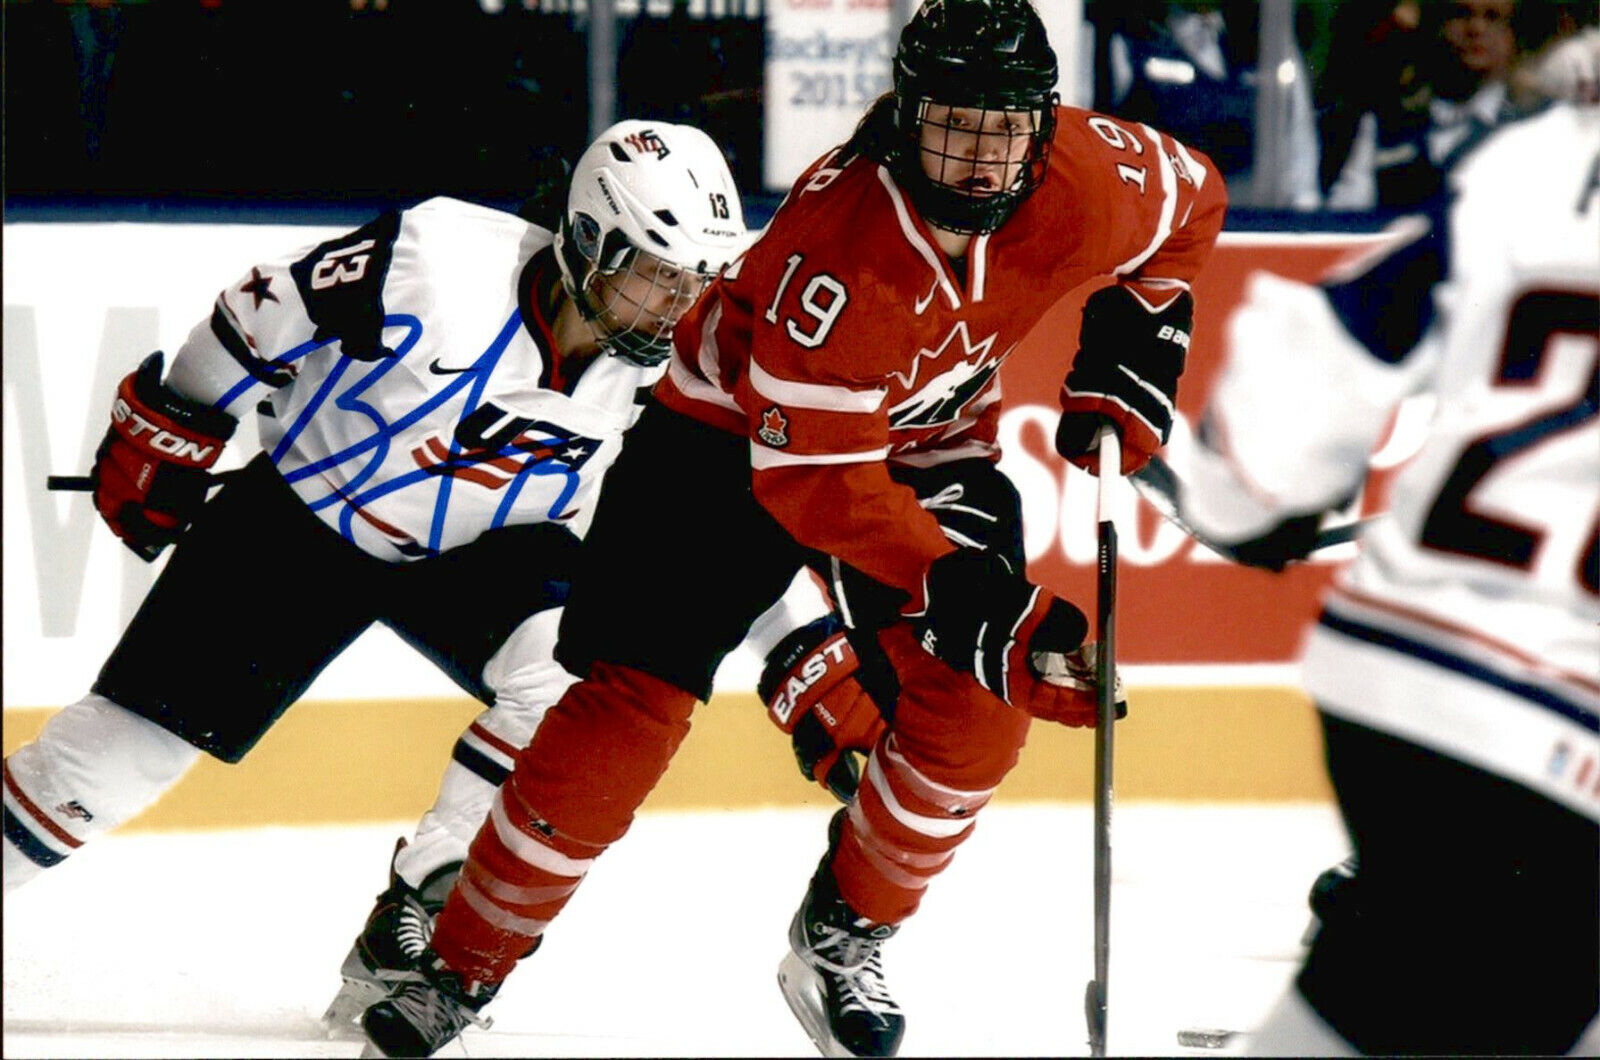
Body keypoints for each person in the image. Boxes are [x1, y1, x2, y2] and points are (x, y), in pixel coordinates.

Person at [356, 0, 1228, 1056]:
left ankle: (842, 935)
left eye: (1005, 129)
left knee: (977, 711)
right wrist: (978, 594)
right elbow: (818, 493)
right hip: (721, 450)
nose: (981, 161)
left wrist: (1138, 350)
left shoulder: (1094, 176)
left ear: (1043, 122)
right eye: (954, 124)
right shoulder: (841, 251)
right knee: (626, 711)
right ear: (906, 115)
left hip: (926, 442)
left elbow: (1193, 204)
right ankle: (459, 962)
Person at [0, 118, 769, 999]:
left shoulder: (690, 356)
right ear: (587, 242)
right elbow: (263, 309)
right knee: (114, 763)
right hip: (302, 525)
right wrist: (176, 423)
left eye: (695, 281)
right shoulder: (438, 262)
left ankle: (421, 911)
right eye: (655, 275)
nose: (677, 305)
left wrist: (791, 641)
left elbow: (739, 508)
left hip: (491, 550)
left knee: (568, 694)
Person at [1174, 85, 1598, 1053]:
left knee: (1401, 973)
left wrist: (1235, 495)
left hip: (1392, 691)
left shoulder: (1531, 158)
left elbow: (1312, 362)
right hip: (1569, 744)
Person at [1323, 0, 1551, 211]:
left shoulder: (1537, 124)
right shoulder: (1385, 122)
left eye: (1492, 17)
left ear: (1512, 34)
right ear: (1435, 24)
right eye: (1461, 14)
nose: (1476, 30)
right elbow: (1349, 218)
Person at [1093, 0, 1321, 208]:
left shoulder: (1269, 43)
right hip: (1164, 227)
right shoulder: (1128, 42)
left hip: (1254, 225)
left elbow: (1299, 158)